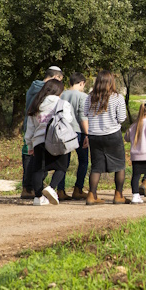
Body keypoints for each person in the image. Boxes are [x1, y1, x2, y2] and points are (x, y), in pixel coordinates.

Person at [24, 79, 71, 206]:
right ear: (58, 91)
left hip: (39, 141)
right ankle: (51, 187)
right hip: (57, 140)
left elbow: (30, 127)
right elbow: (68, 120)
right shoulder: (62, 104)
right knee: (62, 167)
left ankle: (38, 197)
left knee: (38, 169)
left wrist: (29, 144)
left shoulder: (36, 104)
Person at [83, 70, 128, 205]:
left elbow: (85, 113)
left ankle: (92, 195)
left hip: (94, 135)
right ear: (111, 82)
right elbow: (121, 118)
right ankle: (118, 195)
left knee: (96, 166)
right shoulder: (117, 97)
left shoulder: (89, 97)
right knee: (119, 165)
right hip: (112, 134)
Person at [21, 66, 63, 198]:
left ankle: (30, 188)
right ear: (55, 78)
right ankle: (30, 188)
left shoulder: (32, 87)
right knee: (36, 162)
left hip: (31, 125)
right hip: (42, 130)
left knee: (32, 157)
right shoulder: (46, 91)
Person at [57, 72, 89, 201]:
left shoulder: (61, 94)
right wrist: (87, 134)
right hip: (78, 132)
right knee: (84, 161)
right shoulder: (83, 96)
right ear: (82, 83)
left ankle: (60, 190)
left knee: (64, 162)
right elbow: (83, 116)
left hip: (63, 131)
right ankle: (78, 189)